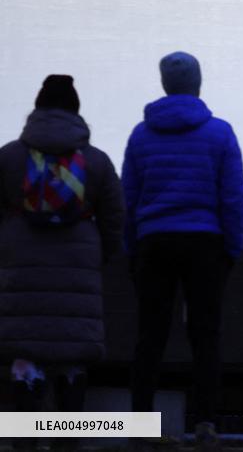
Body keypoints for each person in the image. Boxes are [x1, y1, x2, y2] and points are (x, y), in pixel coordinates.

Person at [122, 52, 243, 450]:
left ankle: (140, 423)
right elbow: (232, 197)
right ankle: (206, 423)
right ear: (198, 84)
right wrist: (233, 247)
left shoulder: (142, 135)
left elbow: (129, 198)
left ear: (164, 85)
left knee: (150, 335)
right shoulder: (220, 133)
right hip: (205, 243)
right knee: (206, 335)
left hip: (154, 242)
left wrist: (131, 249)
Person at [0, 75, 124, 450]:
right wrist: (96, 257)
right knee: (72, 360)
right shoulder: (97, 162)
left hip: (20, 268)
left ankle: (25, 439)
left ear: (35, 111)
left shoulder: (9, 157)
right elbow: (115, 220)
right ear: (76, 113)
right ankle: (66, 440)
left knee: (25, 358)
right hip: (77, 270)